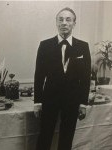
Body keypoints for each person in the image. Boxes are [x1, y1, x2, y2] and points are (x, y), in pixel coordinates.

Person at [34, 7, 91, 150]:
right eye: (61, 19)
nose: (64, 23)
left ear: (74, 23)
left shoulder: (83, 47)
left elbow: (85, 77)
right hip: (49, 98)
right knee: (44, 136)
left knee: (67, 137)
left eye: (68, 19)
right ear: (56, 23)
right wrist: (37, 102)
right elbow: (39, 75)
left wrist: (83, 103)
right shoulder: (45, 45)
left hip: (72, 100)